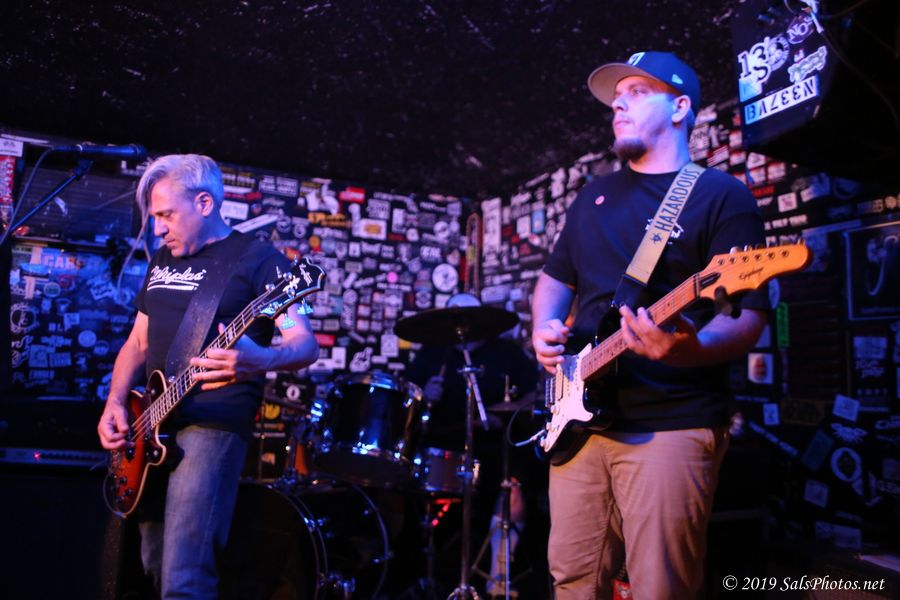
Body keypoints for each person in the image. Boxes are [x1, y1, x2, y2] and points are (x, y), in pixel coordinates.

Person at [531, 51, 769, 599]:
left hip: (672, 421)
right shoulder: (591, 196)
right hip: (578, 421)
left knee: (660, 587)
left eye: (637, 92)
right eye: (617, 97)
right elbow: (554, 279)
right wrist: (543, 325)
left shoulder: (720, 194)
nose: (618, 103)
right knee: (571, 577)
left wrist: (685, 348)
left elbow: (749, 319)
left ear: (680, 107)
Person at [96, 154, 319, 598]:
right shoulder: (163, 259)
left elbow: (305, 344)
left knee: (185, 577)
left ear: (204, 202)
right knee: (153, 565)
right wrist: (116, 401)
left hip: (212, 424)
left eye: (165, 215)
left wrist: (259, 359)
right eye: (154, 217)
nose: (158, 229)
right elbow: (137, 343)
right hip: (151, 424)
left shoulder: (261, 261)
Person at [406, 292, 541, 598]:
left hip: (493, 446)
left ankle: (499, 574)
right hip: (442, 447)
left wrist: (502, 413)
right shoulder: (432, 355)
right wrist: (425, 394)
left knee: (514, 485)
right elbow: (408, 401)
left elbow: (532, 395)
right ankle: (422, 570)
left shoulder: (507, 353)